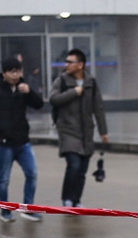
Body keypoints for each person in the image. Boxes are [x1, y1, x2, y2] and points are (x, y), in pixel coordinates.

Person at [0, 56, 44, 222]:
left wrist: (29, 92)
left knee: (32, 173)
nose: (16, 75)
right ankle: (5, 211)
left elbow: (39, 105)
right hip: (4, 143)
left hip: (23, 141)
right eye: (12, 72)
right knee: (4, 179)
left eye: (18, 71)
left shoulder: (23, 88)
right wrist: (0, 127)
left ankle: (27, 208)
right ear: (4, 73)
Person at [49, 48, 109, 208]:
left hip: (86, 132)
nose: (66, 65)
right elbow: (53, 99)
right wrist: (74, 92)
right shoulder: (61, 81)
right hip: (68, 130)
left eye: (70, 62)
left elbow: (98, 108)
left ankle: (76, 200)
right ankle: (67, 198)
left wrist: (103, 131)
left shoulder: (91, 83)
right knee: (74, 164)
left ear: (80, 65)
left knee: (82, 169)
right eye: (66, 62)